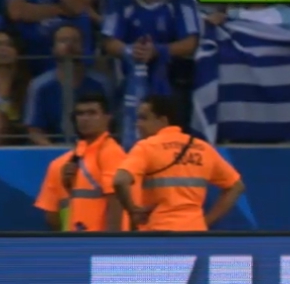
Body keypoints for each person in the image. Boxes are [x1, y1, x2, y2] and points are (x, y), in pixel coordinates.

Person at [113, 95, 245, 231]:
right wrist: (206, 221)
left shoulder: (146, 147)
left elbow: (120, 180)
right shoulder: (203, 148)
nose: (137, 124)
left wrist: (133, 211)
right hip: (195, 232)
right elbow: (236, 186)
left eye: (143, 118)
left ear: (163, 120)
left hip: (159, 232)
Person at [59, 93, 129, 232]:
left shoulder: (110, 151)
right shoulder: (80, 152)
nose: (85, 119)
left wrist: (111, 239)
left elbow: (116, 199)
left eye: (92, 113)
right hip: (81, 234)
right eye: (80, 114)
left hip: (99, 238)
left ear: (107, 118)